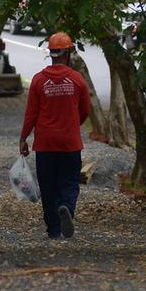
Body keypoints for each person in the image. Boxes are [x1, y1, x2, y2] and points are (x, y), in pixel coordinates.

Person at [19, 32, 90, 239]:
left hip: (45, 144)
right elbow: (85, 110)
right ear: (67, 53)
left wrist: (23, 138)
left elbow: (31, 114)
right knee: (69, 182)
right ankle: (66, 206)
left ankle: (54, 229)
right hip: (70, 142)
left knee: (48, 187)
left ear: (51, 53)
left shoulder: (39, 80)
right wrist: (72, 125)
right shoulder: (77, 79)